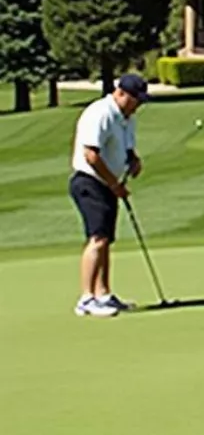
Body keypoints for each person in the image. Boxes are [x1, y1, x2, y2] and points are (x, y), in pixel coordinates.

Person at [69, 73, 151, 318]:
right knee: (98, 238)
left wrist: (134, 160)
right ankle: (86, 298)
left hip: (106, 184)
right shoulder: (100, 113)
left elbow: (126, 148)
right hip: (89, 182)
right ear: (121, 93)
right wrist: (114, 184)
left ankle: (103, 294)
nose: (138, 105)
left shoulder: (126, 118)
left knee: (106, 240)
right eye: (136, 100)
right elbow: (91, 155)